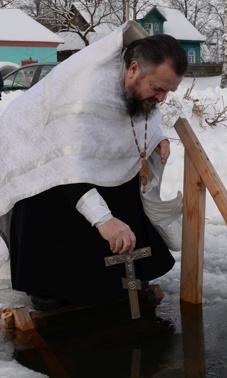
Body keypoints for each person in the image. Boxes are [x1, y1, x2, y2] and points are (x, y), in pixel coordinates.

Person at [0, 21, 187, 310]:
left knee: (121, 182)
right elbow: (66, 169)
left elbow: (138, 115)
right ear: (134, 69)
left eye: (168, 92)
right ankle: (55, 287)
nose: (161, 98)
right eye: (158, 89)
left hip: (70, 161)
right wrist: (104, 221)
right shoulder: (86, 91)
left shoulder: (134, 83)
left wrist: (156, 137)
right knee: (50, 204)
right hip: (41, 161)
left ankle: (119, 278)